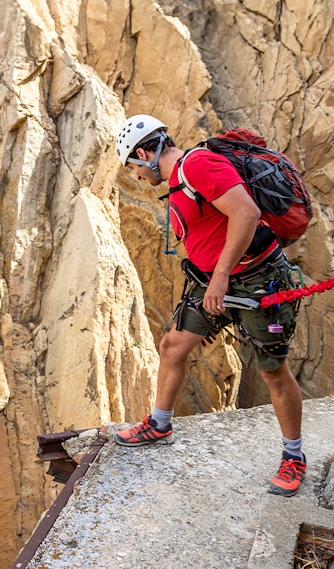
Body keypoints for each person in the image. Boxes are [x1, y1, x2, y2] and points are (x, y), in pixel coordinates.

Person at [114, 114, 306, 497]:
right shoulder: (182, 178)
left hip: (255, 284)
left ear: (143, 152)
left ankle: (293, 456)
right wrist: (213, 286)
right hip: (210, 286)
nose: (136, 176)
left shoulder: (198, 165)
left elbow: (246, 213)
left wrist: (220, 278)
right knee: (172, 347)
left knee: (273, 373)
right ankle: (159, 423)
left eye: (133, 167)